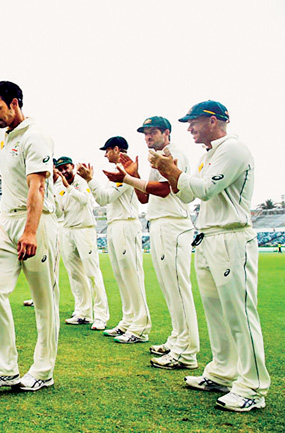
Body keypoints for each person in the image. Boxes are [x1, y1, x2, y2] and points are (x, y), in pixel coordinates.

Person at [149, 100, 270, 412]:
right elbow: (188, 194)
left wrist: (171, 170)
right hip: (208, 236)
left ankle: (253, 387)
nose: (189, 128)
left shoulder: (233, 149)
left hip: (231, 236)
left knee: (239, 313)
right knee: (216, 312)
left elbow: (204, 190)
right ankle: (222, 372)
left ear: (213, 120)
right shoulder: (207, 155)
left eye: (194, 121)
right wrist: (170, 173)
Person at [0, 81, 59, 392]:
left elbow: (38, 187)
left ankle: (43, 371)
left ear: (15, 103)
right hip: (6, 223)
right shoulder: (4, 137)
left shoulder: (35, 137)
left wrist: (30, 232)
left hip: (37, 223)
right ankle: (3, 369)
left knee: (44, 301)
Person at [106, 116, 200, 370]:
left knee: (178, 288)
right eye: (145, 133)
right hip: (158, 222)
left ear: (166, 132)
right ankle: (177, 339)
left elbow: (165, 189)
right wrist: (135, 175)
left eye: (153, 132)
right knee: (169, 288)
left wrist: (128, 179)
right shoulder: (156, 159)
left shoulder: (173, 154)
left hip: (173, 223)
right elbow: (145, 198)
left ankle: (187, 351)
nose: (148, 137)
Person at [76, 136, 151, 343]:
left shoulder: (127, 170)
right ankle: (128, 321)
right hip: (115, 224)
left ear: (116, 149)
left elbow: (104, 198)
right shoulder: (119, 170)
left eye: (107, 150)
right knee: (122, 276)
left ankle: (141, 327)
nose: (105, 155)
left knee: (132, 276)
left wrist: (90, 179)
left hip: (126, 224)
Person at [54, 156, 109, 331]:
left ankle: (101, 316)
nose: (63, 171)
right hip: (67, 230)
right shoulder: (58, 186)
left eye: (66, 167)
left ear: (72, 166)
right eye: (60, 169)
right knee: (75, 274)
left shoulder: (81, 181)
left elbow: (85, 200)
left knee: (92, 273)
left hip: (84, 229)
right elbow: (59, 212)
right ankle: (83, 313)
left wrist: (68, 187)